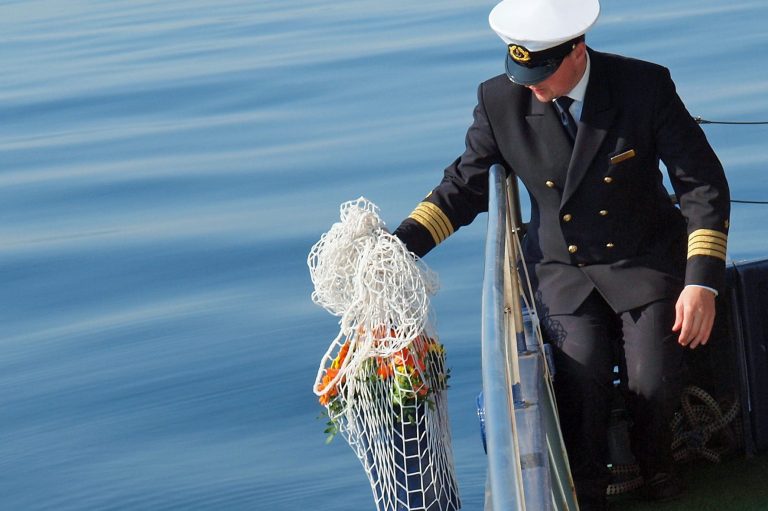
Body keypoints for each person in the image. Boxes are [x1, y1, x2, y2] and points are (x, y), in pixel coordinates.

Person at [391, 0, 730, 509]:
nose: (533, 86)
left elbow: (702, 185)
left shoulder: (643, 86)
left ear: (577, 50)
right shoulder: (499, 100)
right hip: (561, 268)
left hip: (642, 258)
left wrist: (701, 281)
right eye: (523, 72)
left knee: (653, 378)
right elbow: (463, 186)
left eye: (542, 72)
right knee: (581, 377)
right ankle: (586, 491)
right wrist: (399, 247)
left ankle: (659, 469)